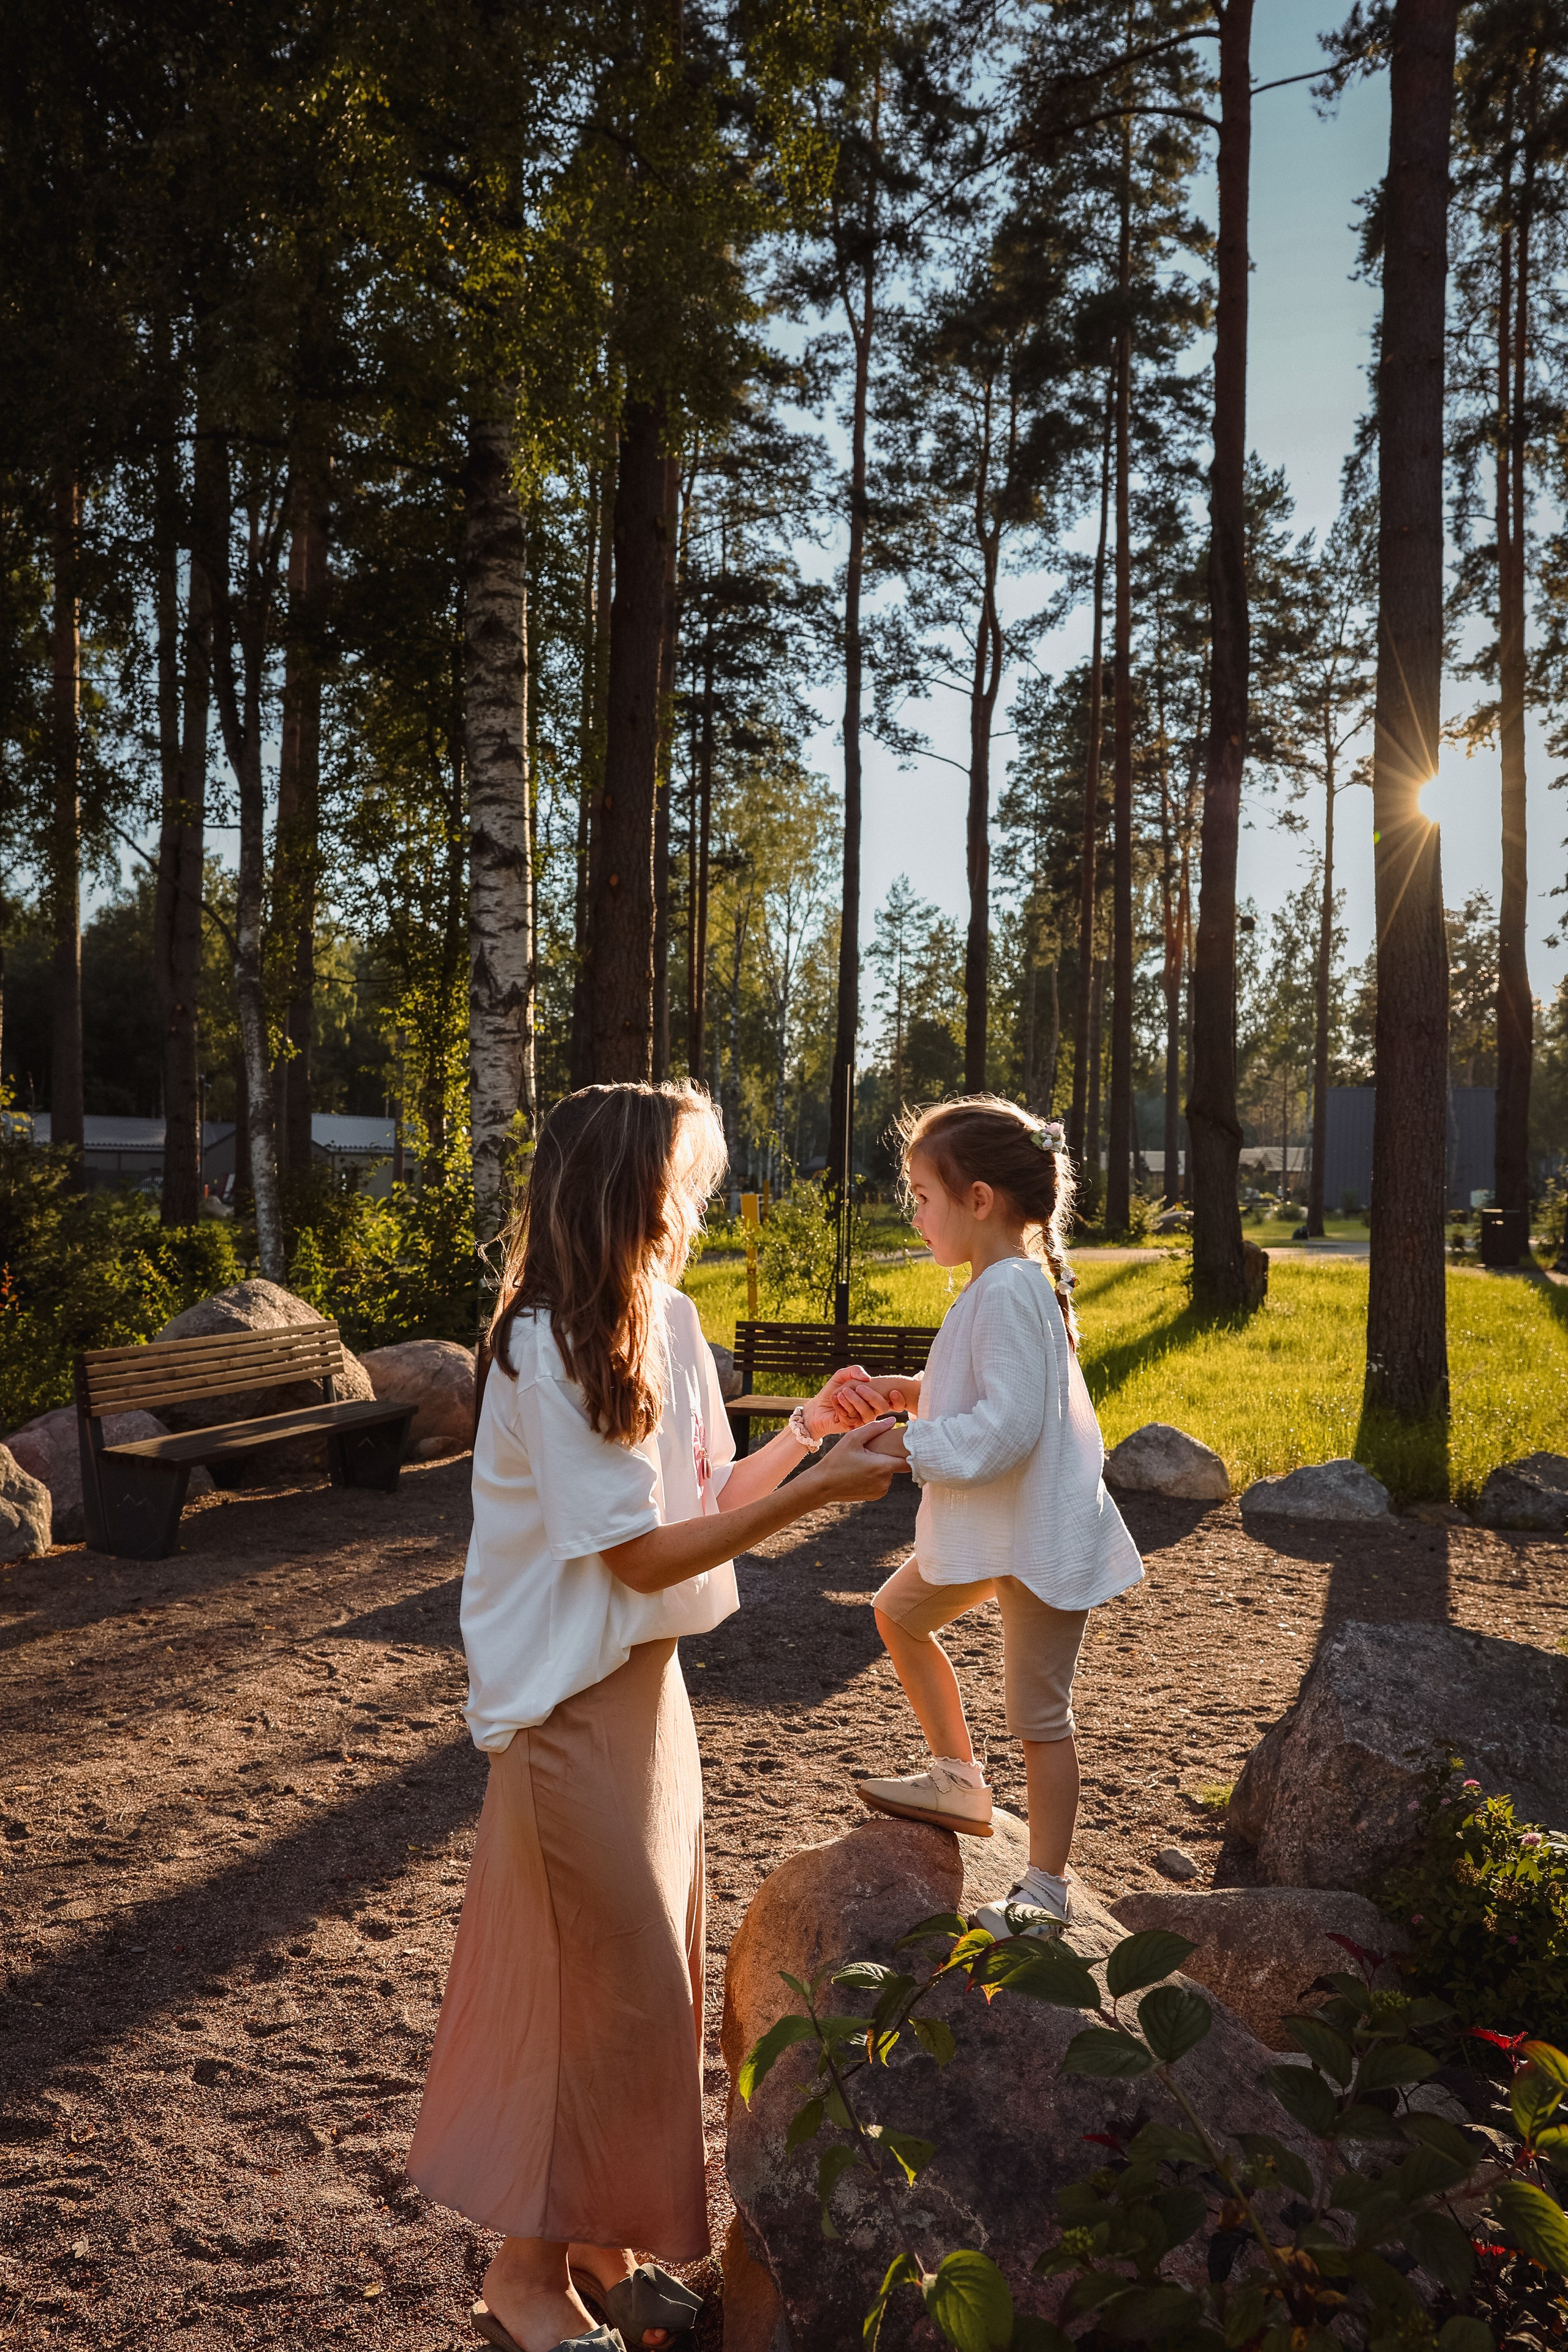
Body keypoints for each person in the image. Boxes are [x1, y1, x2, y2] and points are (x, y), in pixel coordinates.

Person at [407, 1082, 898, 2352]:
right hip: (568, 1712)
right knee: (604, 1995)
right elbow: (633, 1557)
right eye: (685, 1178)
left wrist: (800, 1435)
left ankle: (602, 2251)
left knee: (650, 1995)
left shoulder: (665, 1322)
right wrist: (822, 1498)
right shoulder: (540, 1344)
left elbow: (697, 1500)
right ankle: (523, 2279)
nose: (699, 1202)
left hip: (652, 1702)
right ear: (626, 1184)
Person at [843, 1095, 1143, 1940]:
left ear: (979, 1200)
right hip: (998, 1528)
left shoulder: (1010, 1289)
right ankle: (957, 1781)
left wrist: (910, 1444)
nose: (915, 1212)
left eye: (922, 1196)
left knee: (1039, 1716)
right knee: (898, 1611)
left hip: (1039, 1537)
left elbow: (1009, 1430)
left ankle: (1044, 1891)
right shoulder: (999, 1284)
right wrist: (915, 1396)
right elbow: (994, 1398)